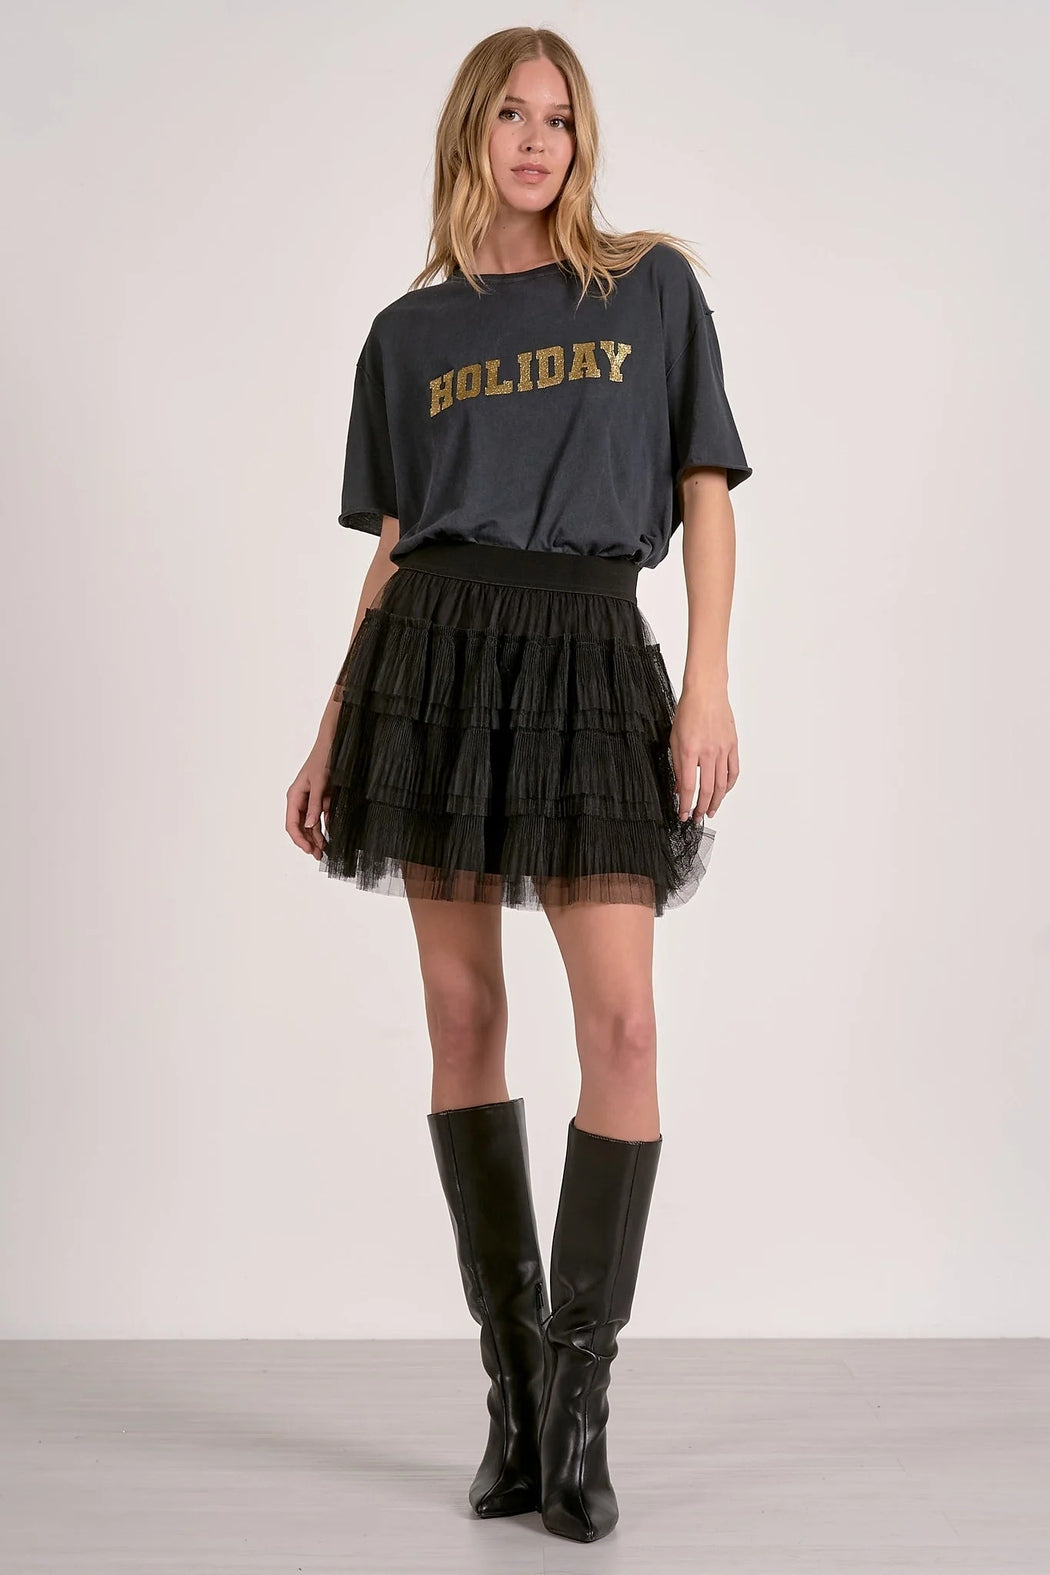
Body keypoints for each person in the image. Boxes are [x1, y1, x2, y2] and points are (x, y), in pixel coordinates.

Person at [285, 25, 752, 1545]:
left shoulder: (650, 289)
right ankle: (513, 1395)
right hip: (435, 663)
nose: (537, 139)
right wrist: (331, 728)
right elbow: (395, 548)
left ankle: (580, 1399)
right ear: (469, 136)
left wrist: (706, 679)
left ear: (581, 137)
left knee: (624, 1025)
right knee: (462, 1014)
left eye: (559, 116)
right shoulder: (406, 336)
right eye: (510, 114)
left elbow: (702, 492)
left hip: (589, 655)